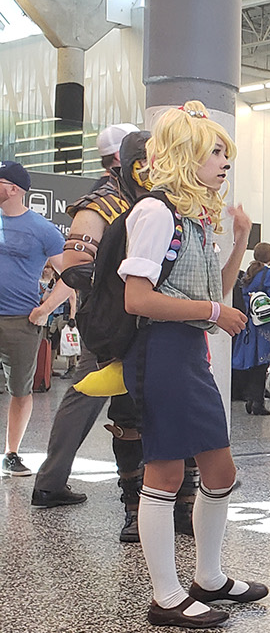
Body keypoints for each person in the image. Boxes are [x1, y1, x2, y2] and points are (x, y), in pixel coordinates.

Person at [119, 102, 266, 628]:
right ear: (186, 154)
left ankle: (208, 576)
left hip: (188, 353)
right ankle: (166, 596)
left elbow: (215, 291)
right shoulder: (155, 213)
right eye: (215, 152)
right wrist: (213, 313)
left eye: (226, 152)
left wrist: (241, 239)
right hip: (161, 351)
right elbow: (137, 299)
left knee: (219, 471)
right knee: (165, 471)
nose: (225, 161)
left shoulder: (195, 218)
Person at [29, 124, 152, 531]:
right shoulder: (100, 203)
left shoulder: (138, 197)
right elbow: (75, 266)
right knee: (92, 396)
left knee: (99, 397)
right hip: (113, 324)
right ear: (122, 158)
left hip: (138, 321)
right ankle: (54, 482)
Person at [0, 160, 65, 477]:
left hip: (20, 321)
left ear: (13, 189)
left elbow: (73, 275)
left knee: (20, 390)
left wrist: (46, 308)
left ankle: (11, 453)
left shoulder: (42, 229)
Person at [232, 242, 270, 415]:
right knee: (263, 363)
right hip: (266, 324)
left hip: (250, 324)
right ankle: (258, 402)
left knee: (253, 361)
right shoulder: (269, 274)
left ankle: (251, 398)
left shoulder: (249, 273)